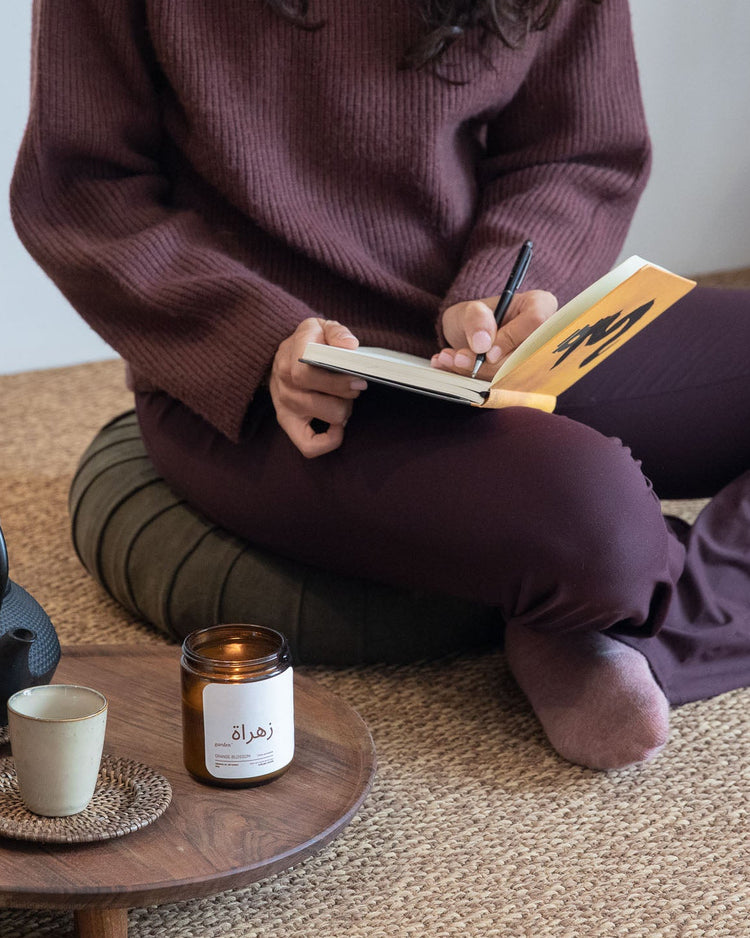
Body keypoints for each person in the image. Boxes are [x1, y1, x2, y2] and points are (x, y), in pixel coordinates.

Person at [10, 0, 750, 770]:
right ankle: (592, 593)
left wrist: (503, 293)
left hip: (483, 339)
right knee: (605, 528)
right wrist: (258, 341)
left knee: (596, 533)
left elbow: (576, 150)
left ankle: (636, 637)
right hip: (280, 383)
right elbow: (85, 187)